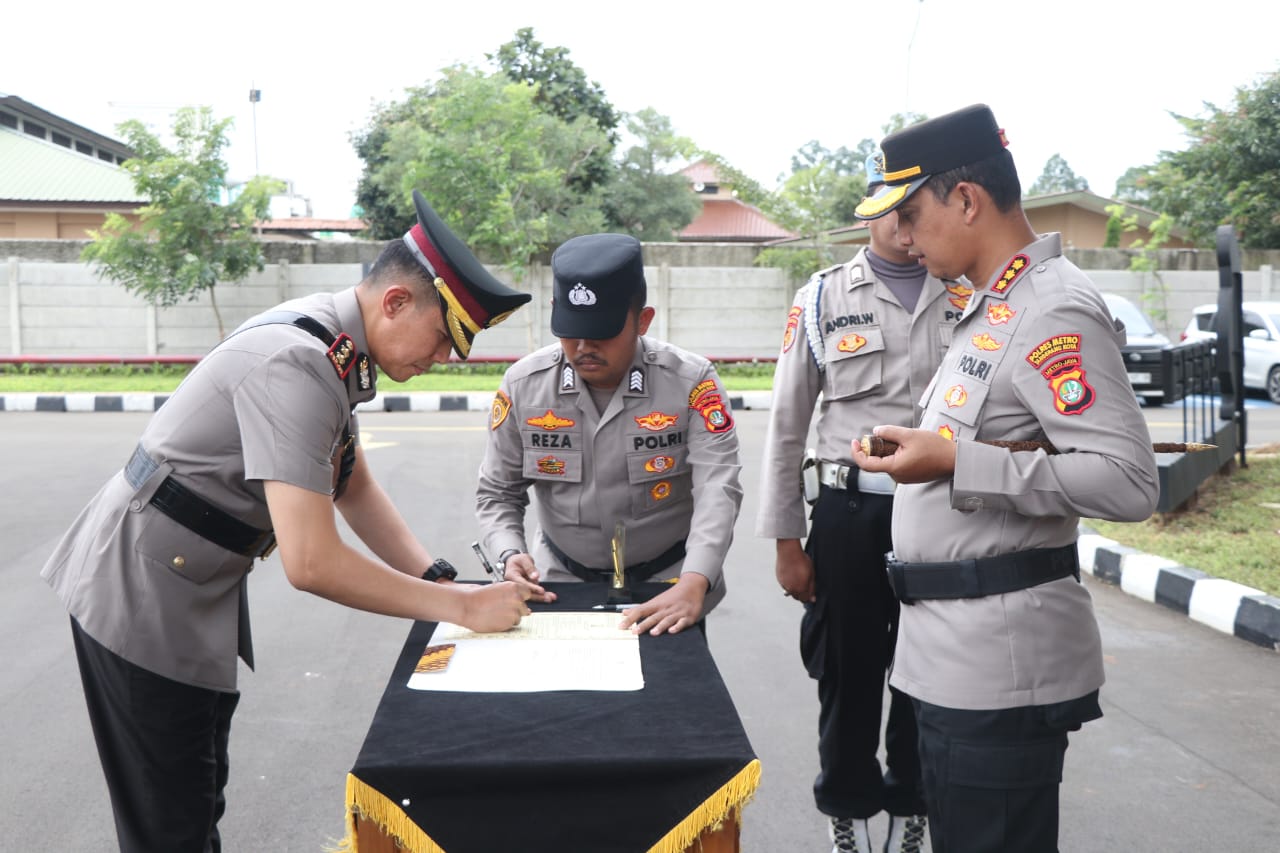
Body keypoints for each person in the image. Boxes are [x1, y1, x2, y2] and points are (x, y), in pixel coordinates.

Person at [41, 189, 535, 853]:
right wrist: (460, 606)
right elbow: (311, 561)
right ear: (395, 302)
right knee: (170, 823)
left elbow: (350, 480)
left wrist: (435, 576)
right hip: (141, 592)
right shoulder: (301, 362)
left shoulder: (334, 347)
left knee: (193, 795)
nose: (443, 358)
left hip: (187, 583)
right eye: (445, 337)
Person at [849, 104, 1159, 853]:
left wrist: (956, 460)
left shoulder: (1052, 309)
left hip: (999, 666)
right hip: (949, 659)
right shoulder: (994, 307)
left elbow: (1128, 481)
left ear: (966, 199)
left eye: (914, 215)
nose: (904, 236)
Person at [757, 151, 956, 853]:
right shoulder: (821, 297)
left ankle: (913, 803)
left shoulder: (962, 292)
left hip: (940, 510)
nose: (906, 228)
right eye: (892, 213)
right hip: (848, 512)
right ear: (869, 213)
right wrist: (786, 540)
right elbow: (787, 423)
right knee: (848, 665)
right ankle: (848, 805)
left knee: (928, 664)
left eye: (915, 210)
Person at [475, 232, 743, 636]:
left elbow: (717, 488)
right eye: (570, 330)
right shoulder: (524, 386)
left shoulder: (691, 383)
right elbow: (498, 492)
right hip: (559, 586)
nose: (583, 347)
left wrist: (695, 579)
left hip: (666, 587)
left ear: (643, 320)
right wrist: (509, 554)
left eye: (601, 332)